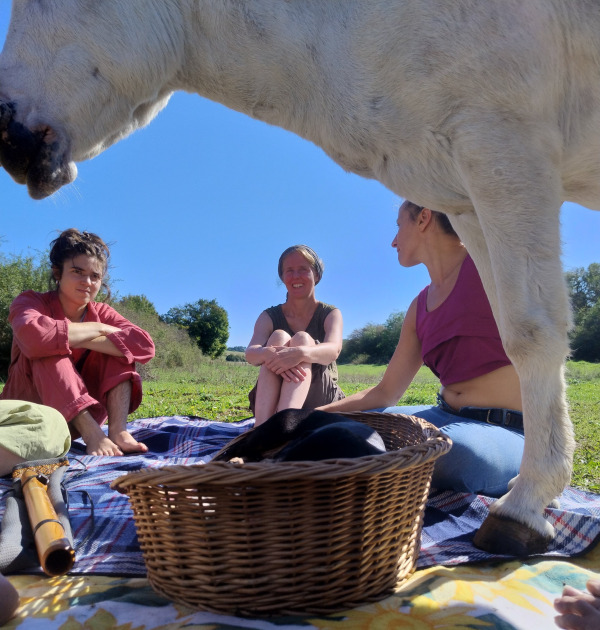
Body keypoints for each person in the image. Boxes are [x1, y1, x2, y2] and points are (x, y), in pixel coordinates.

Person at [320, 201, 524, 497]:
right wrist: (312, 415)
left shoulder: (491, 268)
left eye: (398, 226)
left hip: (505, 430)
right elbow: (385, 393)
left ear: (424, 218)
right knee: (341, 428)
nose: (393, 241)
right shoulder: (418, 307)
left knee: (444, 452)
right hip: (441, 416)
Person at [0, 229, 155, 456]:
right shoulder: (31, 301)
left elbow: (144, 346)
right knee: (49, 348)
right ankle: (93, 435)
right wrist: (100, 329)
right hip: (27, 413)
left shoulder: (102, 311)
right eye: (77, 272)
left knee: (119, 352)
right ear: (57, 273)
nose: (87, 282)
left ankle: (118, 431)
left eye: (95, 276)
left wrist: (84, 339)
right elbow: (35, 338)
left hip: (78, 419)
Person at [246, 245, 345, 426]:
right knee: (278, 337)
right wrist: (268, 353)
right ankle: (262, 428)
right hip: (272, 401)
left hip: (320, 400)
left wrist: (300, 353)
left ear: (316, 275)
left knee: (302, 339)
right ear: (283, 277)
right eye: (289, 270)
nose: (296, 276)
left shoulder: (331, 314)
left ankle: (284, 427)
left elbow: (333, 350)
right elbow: (251, 354)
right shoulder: (269, 316)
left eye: (303, 269)